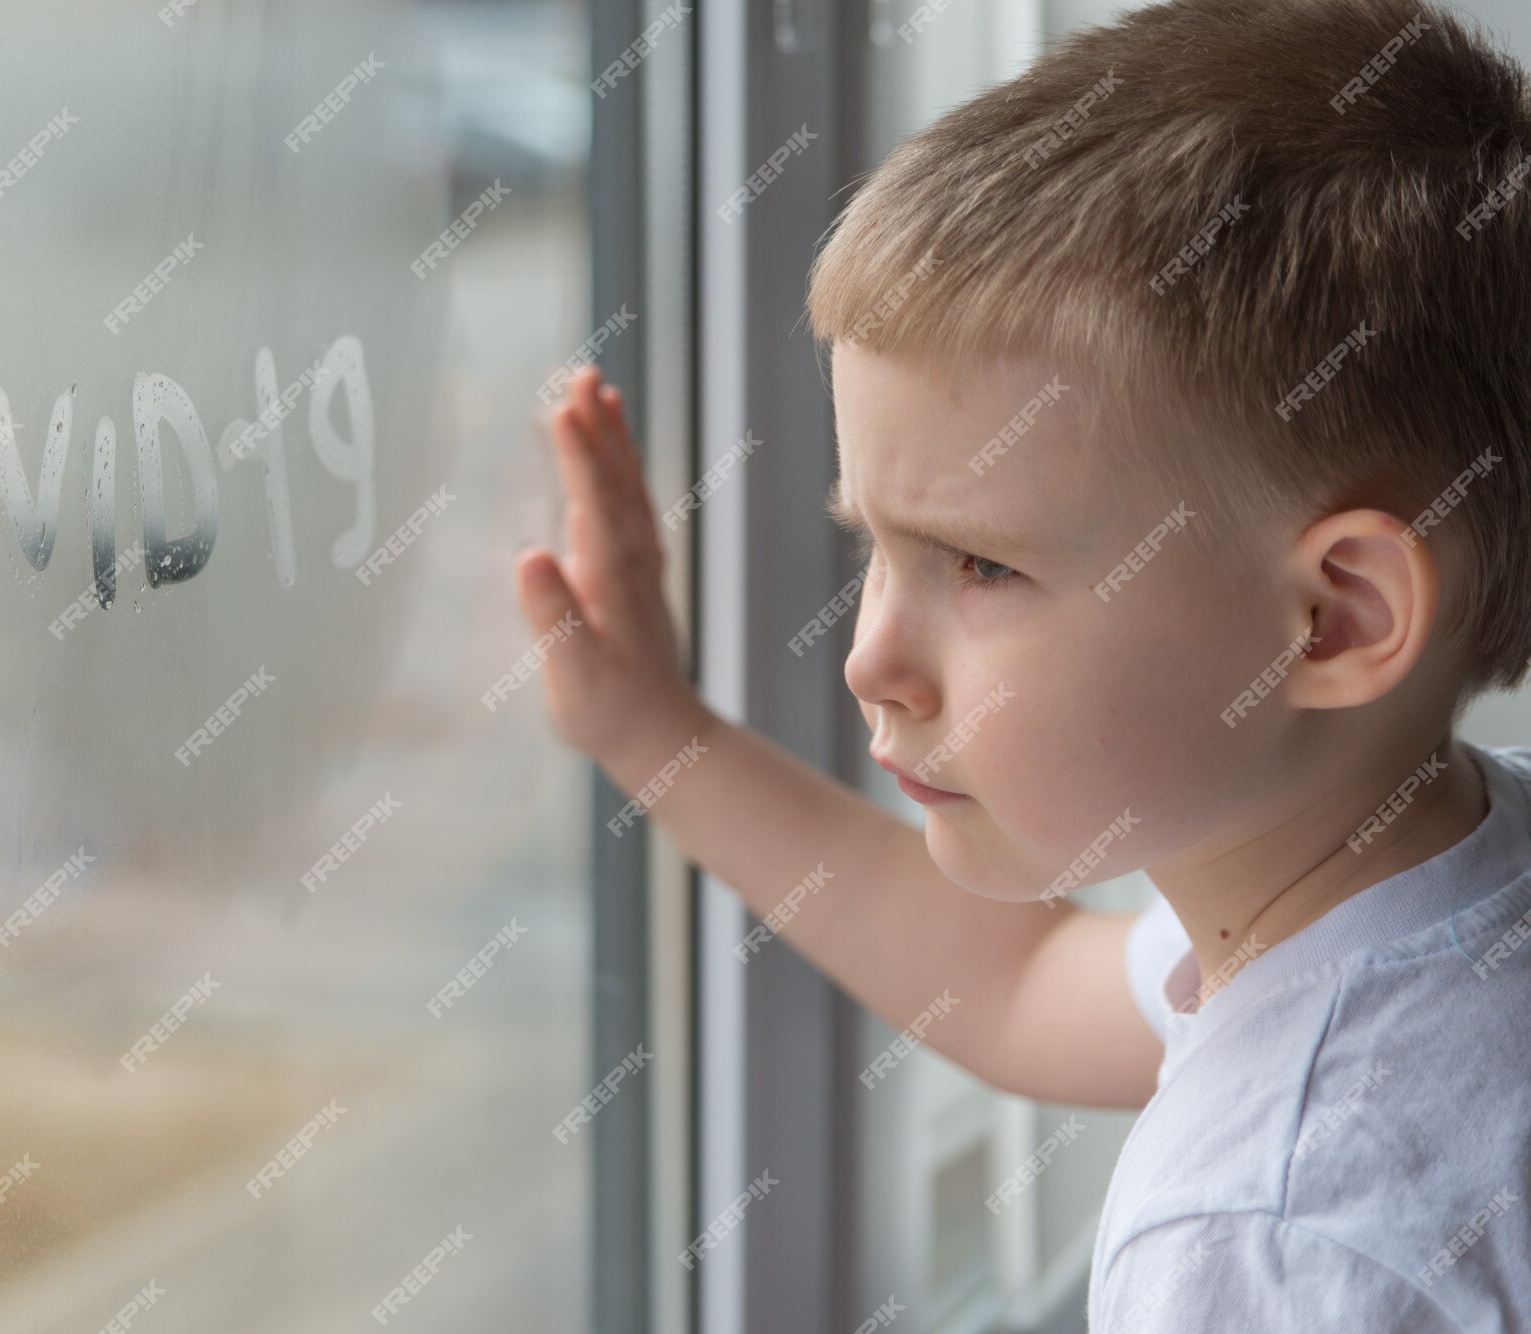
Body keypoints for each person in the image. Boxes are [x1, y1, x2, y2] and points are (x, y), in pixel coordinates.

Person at [513, 0, 1531, 1326]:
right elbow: (1013, 985)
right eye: (872, 547)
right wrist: (654, 731)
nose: (872, 658)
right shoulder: (1430, 874)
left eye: (980, 566)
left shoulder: (1271, 1237)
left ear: (1337, 616)